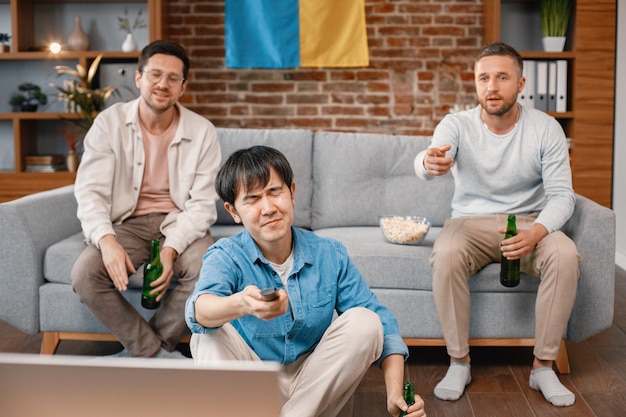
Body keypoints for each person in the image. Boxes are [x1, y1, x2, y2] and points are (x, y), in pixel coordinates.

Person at [185, 146, 427, 417]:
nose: (268, 208)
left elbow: (381, 323)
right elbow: (198, 309)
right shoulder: (226, 254)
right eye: (252, 199)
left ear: (292, 193)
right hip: (252, 383)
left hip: (313, 384)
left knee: (365, 321)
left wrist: (395, 395)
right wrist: (242, 304)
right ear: (233, 211)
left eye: (275, 191)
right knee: (205, 334)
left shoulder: (329, 254)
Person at [414, 41, 580, 407]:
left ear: (520, 84)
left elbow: (562, 196)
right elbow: (434, 155)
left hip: (527, 224)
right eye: (484, 78)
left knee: (565, 254)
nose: (492, 86)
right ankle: (459, 362)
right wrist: (429, 163)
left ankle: (542, 367)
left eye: (502, 77)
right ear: (475, 84)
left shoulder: (546, 128)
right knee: (447, 251)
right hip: (469, 224)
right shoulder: (456, 124)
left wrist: (537, 232)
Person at [71, 40, 221, 358]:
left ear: (183, 86)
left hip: (178, 221)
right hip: (126, 223)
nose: (162, 84)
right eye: (155, 74)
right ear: (139, 78)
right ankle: (152, 353)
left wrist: (170, 249)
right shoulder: (108, 124)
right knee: (85, 274)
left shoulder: (203, 131)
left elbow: (201, 205)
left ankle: (152, 350)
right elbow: (90, 192)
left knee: (209, 268)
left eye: (172, 78)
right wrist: (106, 240)